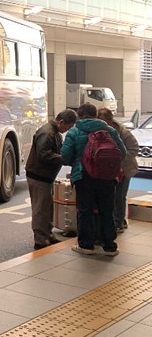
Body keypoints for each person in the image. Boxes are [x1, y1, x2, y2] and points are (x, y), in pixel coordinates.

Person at [61, 102, 126, 257]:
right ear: (96, 115)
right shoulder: (109, 130)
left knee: (85, 211)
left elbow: (65, 156)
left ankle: (86, 245)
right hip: (107, 177)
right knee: (107, 210)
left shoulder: (75, 131)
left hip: (84, 176)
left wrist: (77, 161)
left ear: (80, 115)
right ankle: (110, 246)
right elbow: (122, 153)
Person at [25, 108, 78, 250]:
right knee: (40, 209)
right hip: (39, 176)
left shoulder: (54, 132)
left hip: (45, 177)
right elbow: (44, 154)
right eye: (69, 126)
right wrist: (64, 159)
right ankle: (40, 239)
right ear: (61, 122)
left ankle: (47, 234)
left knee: (47, 208)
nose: (68, 130)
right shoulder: (47, 132)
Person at [97, 107, 139, 234]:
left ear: (110, 120)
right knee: (112, 196)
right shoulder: (101, 132)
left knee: (119, 196)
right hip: (109, 170)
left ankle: (119, 221)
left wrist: (119, 161)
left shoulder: (123, 132)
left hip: (124, 169)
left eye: (104, 121)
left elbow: (134, 148)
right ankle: (117, 219)